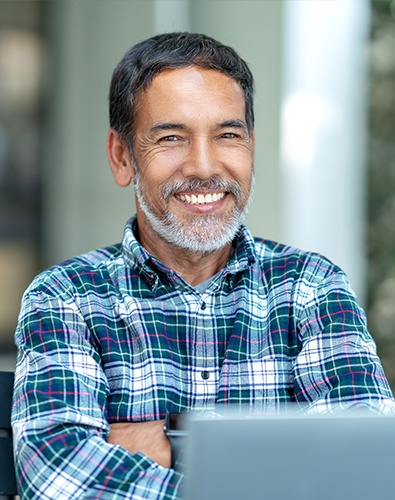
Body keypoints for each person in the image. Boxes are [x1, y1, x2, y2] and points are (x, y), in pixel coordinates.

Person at [12, 32, 395, 499]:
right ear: (121, 157)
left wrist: (169, 449)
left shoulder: (311, 287)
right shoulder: (65, 296)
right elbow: (58, 476)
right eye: (171, 138)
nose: (203, 165)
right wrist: (276, 477)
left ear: (251, 148)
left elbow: (363, 472)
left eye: (227, 135)